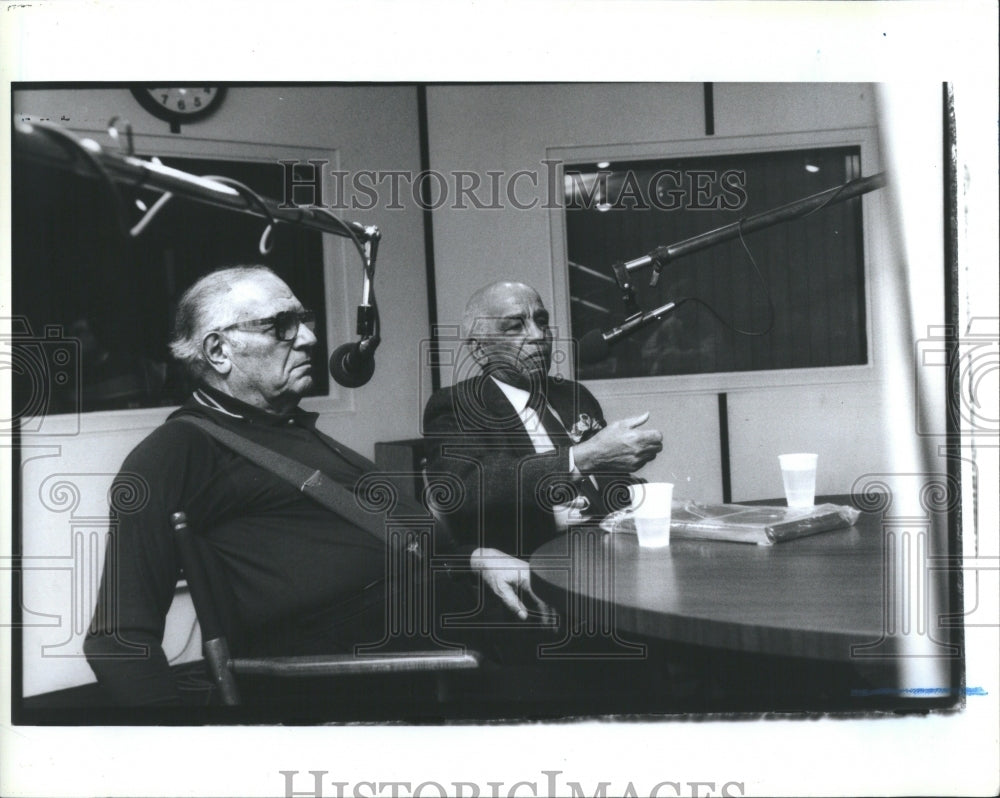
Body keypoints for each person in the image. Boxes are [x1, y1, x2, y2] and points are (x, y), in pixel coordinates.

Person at [83, 265, 502, 706]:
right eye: (282, 326)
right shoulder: (176, 451)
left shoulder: (287, 429)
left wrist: (471, 558)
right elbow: (116, 640)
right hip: (391, 675)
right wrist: (196, 747)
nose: (309, 338)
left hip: (450, 622)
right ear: (219, 350)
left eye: (305, 320)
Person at [422, 280, 664, 621]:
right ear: (478, 349)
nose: (538, 336)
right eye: (516, 326)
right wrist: (584, 457)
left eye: (542, 321)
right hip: (536, 570)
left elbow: (609, 483)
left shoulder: (573, 395)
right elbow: (468, 487)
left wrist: (651, 503)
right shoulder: (456, 405)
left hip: (611, 561)